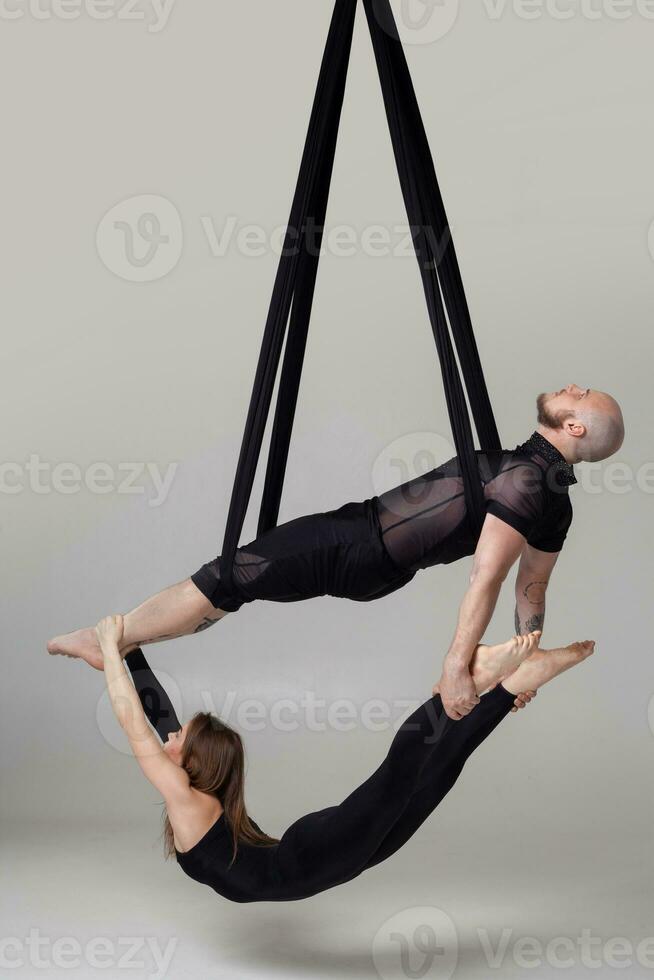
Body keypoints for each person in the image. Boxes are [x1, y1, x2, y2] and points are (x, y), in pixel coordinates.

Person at [49, 385, 622, 720]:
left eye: (581, 393)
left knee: (230, 575)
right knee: (237, 583)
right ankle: (119, 639)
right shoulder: (552, 497)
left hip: (360, 544)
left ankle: (110, 637)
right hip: (370, 549)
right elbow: (534, 590)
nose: (571, 385)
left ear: (572, 424)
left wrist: (454, 662)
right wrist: (524, 663)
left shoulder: (522, 479)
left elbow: (489, 577)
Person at [97, 614, 594, 903]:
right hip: (330, 859)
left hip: (318, 854)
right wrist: (128, 649)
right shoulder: (199, 788)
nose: (170, 737)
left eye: (179, 740)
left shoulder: (186, 798)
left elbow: (133, 723)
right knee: (435, 776)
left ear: (195, 763)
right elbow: (155, 710)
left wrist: (105, 644)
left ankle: (462, 683)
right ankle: (512, 686)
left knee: (398, 775)